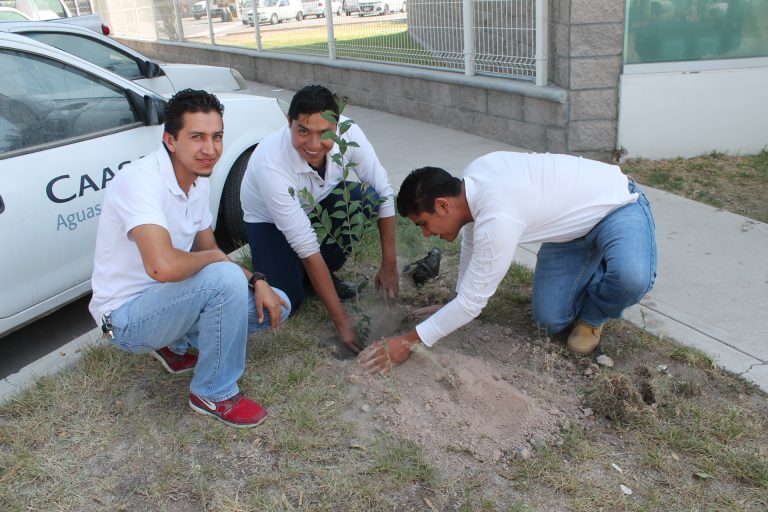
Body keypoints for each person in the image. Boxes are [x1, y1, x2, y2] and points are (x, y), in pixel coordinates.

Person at [89, 89, 290, 428]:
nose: (210, 149)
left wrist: (257, 281)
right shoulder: (139, 181)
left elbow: (208, 250)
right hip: (126, 319)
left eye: (217, 137)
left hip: (170, 301)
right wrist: (216, 260)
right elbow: (163, 267)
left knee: (278, 304)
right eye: (197, 137)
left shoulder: (197, 182)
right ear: (170, 140)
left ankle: (175, 342)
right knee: (223, 279)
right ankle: (213, 392)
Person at [359, 151, 657, 371]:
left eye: (423, 223)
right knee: (550, 321)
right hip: (567, 235)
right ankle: (597, 262)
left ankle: (594, 314)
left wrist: (410, 341)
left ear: (442, 205)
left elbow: (472, 304)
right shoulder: (473, 181)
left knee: (630, 277)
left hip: (615, 205)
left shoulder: (498, 215)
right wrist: (454, 299)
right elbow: (472, 241)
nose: (426, 234)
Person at [240, 85, 398, 355]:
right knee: (288, 300)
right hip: (268, 220)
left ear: (336, 126)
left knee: (367, 198)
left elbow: (383, 190)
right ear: (289, 122)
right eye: (303, 131)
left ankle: (318, 275)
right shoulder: (271, 164)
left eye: (324, 133)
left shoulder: (349, 132)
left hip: (316, 200)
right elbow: (305, 244)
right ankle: (295, 275)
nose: (314, 145)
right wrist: (342, 322)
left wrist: (390, 263)